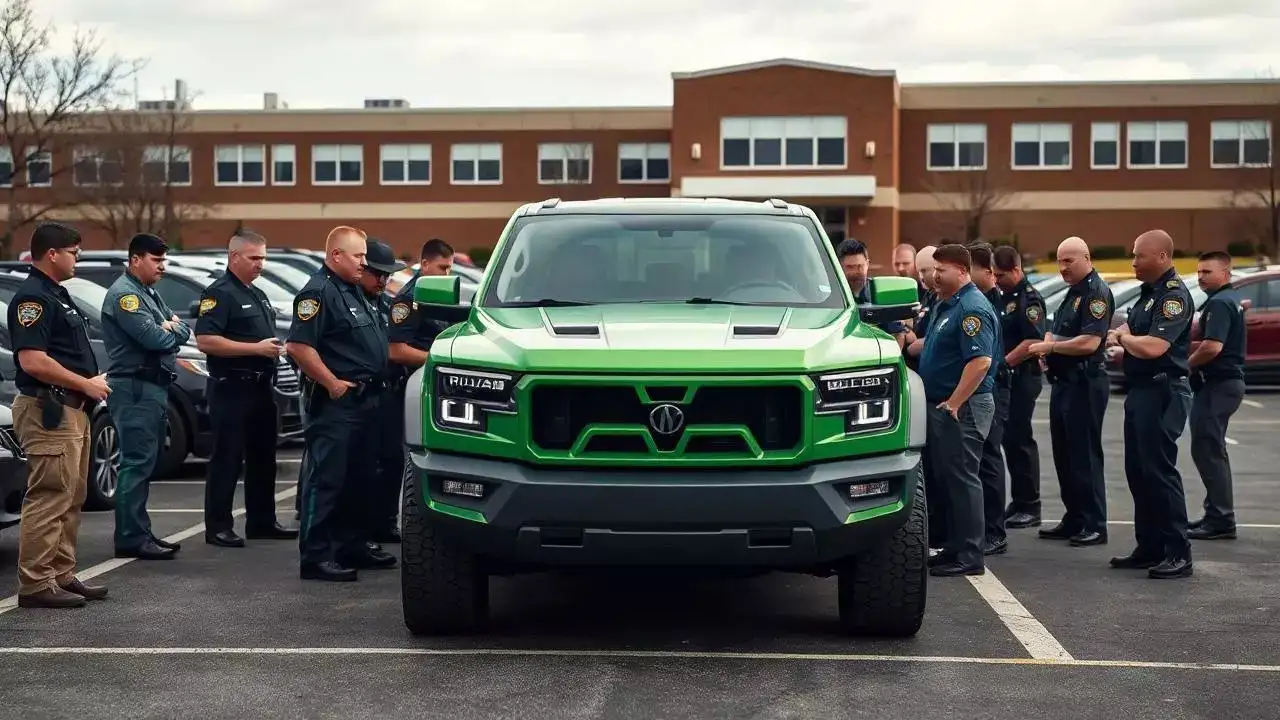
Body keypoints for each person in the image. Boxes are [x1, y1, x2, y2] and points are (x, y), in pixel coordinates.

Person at [8, 222, 112, 608]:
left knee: (72, 495)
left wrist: (87, 383)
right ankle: (35, 584)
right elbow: (33, 361)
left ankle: (61, 574)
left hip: (72, 409)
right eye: (73, 252)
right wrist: (84, 384)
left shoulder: (57, 294)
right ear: (52, 254)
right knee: (50, 496)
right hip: (48, 408)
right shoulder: (32, 299)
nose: (77, 259)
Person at [286, 225, 392, 582]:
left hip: (366, 400)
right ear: (335, 256)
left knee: (359, 480)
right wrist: (331, 383)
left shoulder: (354, 291)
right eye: (358, 256)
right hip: (338, 405)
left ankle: (351, 545)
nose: (365, 262)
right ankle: (315, 557)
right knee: (327, 480)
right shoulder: (319, 292)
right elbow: (299, 346)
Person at [194, 228, 298, 548]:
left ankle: (262, 520)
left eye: (263, 258)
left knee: (263, 458)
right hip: (233, 387)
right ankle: (219, 526)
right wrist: (255, 349)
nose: (260, 264)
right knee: (227, 458)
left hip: (261, 387)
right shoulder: (220, 293)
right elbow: (206, 341)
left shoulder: (255, 292)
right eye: (254, 258)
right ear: (234, 257)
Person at [1105, 230, 1195, 579]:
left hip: (1164, 391)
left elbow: (1156, 347)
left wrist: (1124, 339)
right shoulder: (1149, 295)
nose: (1133, 262)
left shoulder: (1173, 297)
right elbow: (1134, 328)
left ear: (1161, 257)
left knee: (1160, 472)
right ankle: (1150, 546)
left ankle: (1178, 551)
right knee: (1138, 472)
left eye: (1138, 256)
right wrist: (1125, 336)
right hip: (1141, 391)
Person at [101, 233, 189, 561]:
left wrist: (171, 327)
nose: (162, 267)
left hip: (151, 387)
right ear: (136, 259)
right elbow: (154, 338)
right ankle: (130, 537)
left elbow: (182, 329)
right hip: (135, 388)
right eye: (156, 260)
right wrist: (167, 328)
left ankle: (140, 530)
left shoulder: (147, 292)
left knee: (145, 462)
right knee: (136, 463)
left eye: (164, 260)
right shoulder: (126, 296)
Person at [917, 242, 998, 577]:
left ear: (962, 271)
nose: (935, 275)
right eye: (934, 269)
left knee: (963, 479)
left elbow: (980, 361)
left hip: (961, 408)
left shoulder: (971, 309)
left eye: (942, 269)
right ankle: (953, 546)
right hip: (944, 405)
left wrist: (955, 401)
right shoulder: (948, 304)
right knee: (948, 480)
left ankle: (969, 554)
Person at [1028, 237, 1112, 548]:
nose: (1063, 267)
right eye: (1060, 261)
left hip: (1085, 383)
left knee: (1085, 456)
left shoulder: (1095, 293)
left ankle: (1094, 523)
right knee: (1065, 455)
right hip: (1064, 383)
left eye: (1069, 261)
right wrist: (1049, 345)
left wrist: (1051, 346)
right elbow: (1056, 328)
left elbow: (1090, 342)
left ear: (1086, 258)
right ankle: (1074, 517)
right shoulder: (1073, 293)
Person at [1186, 251, 1246, 541]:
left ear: (1225, 273)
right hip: (1220, 385)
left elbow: (1213, 347)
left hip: (1219, 384)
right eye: (1199, 272)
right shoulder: (1225, 300)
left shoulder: (1221, 303)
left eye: (1207, 272)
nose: (1200, 277)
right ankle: (1215, 514)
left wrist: (1184, 366)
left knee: (1208, 450)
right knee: (1208, 449)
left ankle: (1221, 519)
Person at [351, 238, 407, 546]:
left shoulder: (385, 304)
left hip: (389, 395)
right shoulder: (349, 301)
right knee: (364, 467)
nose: (384, 280)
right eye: (378, 274)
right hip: (360, 397)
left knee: (391, 461)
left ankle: (385, 523)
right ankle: (364, 533)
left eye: (388, 275)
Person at [992, 245, 1048, 529]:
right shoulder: (1007, 297)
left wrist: (1003, 363)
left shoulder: (1030, 299)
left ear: (1016, 269)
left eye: (1001, 274)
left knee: (1020, 439)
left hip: (1023, 377)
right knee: (1010, 441)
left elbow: (1031, 342)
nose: (997, 279)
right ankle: (1020, 500)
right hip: (1011, 378)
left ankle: (1030, 504)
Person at [967, 242, 1008, 555]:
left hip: (992, 387)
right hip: (985, 386)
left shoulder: (990, 302)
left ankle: (995, 531)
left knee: (990, 459)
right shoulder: (980, 300)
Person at [837, 238, 906, 346]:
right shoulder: (830, 296)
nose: (856, 272)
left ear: (868, 264)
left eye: (860, 266)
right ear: (839, 267)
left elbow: (898, 334)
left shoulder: (881, 294)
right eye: (850, 267)